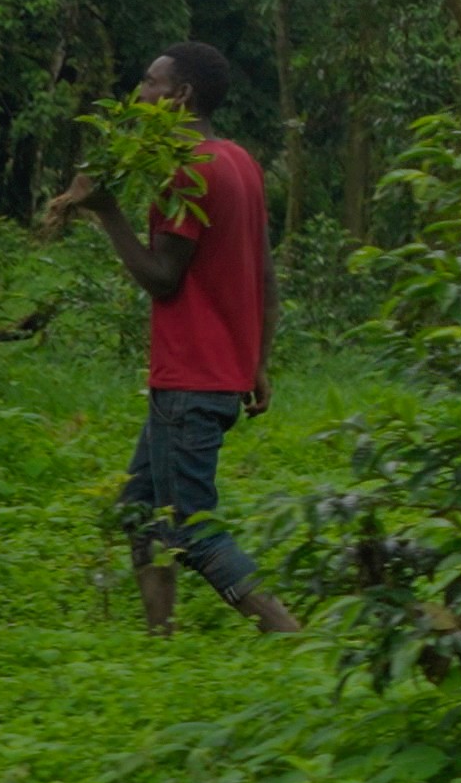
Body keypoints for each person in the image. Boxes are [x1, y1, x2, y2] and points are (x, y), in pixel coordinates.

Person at [44, 43, 301, 637]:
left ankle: (288, 633)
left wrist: (106, 211)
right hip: (215, 375)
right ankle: (160, 640)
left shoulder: (189, 172)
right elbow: (266, 277)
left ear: (180, 95)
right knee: (139, 508)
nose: (140, 94)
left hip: (190, 378)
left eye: (150, 82)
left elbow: (163, 278)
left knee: (190, 527)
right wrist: (258, 362)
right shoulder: (240, 161)